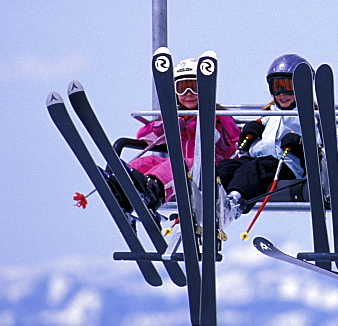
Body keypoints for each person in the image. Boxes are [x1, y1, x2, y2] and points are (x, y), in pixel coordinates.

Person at [113, 58, 239, 211]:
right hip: (182, 166)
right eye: (182, 88)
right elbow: (144, 137)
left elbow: (234, 147)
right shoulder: (175, 115)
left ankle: (153, 190)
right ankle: (121, 188)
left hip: (208, 168)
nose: (188, 94)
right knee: (149, 161)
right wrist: (164, 128)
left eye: (194, 87)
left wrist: (214, 137)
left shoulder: (218, 115)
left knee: (175, 165)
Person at [216, 54, 310, 216]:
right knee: (227, 166)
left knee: (256, 167)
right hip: (259, 163)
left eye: (288, 87)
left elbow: (322, 150)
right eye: (276, 87)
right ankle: (213, 199)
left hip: (286, 166)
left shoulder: (309, 116)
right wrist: (249, 134)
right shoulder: (268, 115)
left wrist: (301, 144)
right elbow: (244, 150)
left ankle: (235, 202)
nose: (281, 93)